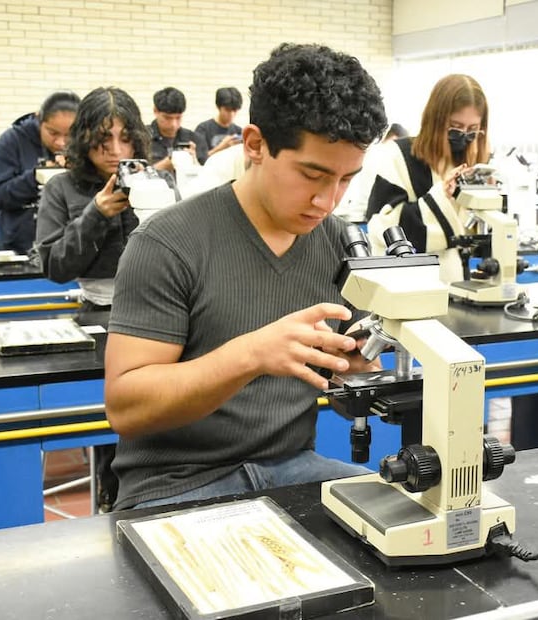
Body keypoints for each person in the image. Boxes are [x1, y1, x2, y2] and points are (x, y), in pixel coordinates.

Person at [103, 42, 388, 511]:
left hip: (293, 467)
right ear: (255, 144)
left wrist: (353, 369)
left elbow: (350, 372)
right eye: (312, 175)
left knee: (420, 534)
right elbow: (127, 408)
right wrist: (252, 354)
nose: (328, 201)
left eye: (346, 179)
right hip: (177, 485)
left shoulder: (339, 242)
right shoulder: (167, 242)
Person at [35, 87, 155, 311]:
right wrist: (95, 216)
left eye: (126, 139)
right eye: (103, 139)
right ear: (84, 137)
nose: (116, 150)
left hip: (159, 306)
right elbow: (55, 268)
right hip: (97, 308)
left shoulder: (158, 182)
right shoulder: (62, 187)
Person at [365, 74, 490, 283]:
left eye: (472, 130)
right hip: (405, 282)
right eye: (455, 127)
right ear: (436, 120)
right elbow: (382, 228)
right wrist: (443, 196)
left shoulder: (472, 163)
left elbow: (473, 233)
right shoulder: (397, 156)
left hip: (457, 283)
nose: (463, 136)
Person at [0, 91, 80, 255]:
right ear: (39, 119)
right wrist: (36, 177)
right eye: (53, 133)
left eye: (70, 134)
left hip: (68, 251)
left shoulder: (85, 145)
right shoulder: (12, 141)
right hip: (17, 250)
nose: (61, 142)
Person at [147, 86, 200, 173]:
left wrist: (194, 162)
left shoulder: (193, 138)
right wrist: (162, 166)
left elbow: (207, 177)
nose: (173, 124)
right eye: (167, 118)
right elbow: (133, 176)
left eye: (178, 118)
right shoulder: (142, 138)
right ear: (155, 111)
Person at [194, 86, 243, 160]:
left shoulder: (239, 131)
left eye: (235, 110)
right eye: (227, 110)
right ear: (218, 107)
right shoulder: (203, 129)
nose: (231, 114)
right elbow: (200, 160)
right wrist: (222, 147)